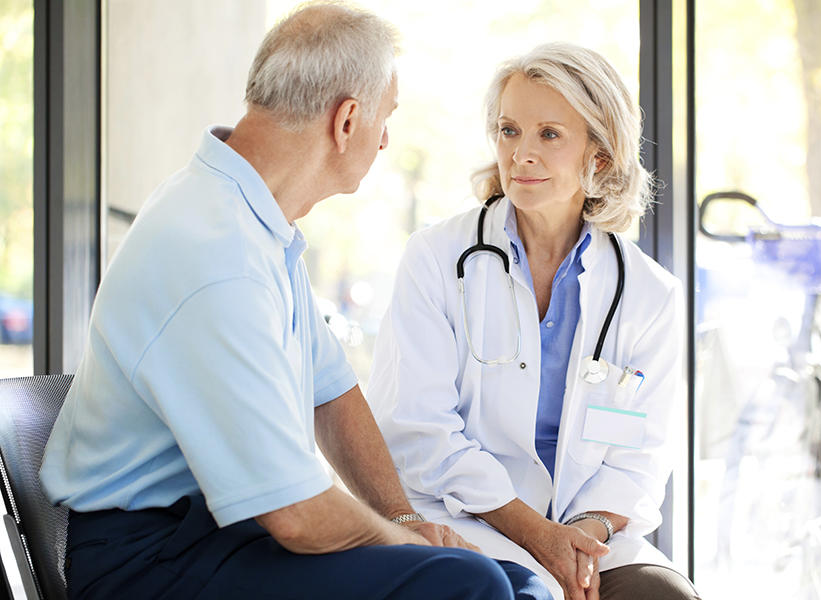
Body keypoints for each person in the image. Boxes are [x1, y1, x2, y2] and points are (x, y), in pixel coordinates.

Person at [39, 4, 549, 599]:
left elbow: (331, 393)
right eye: (386, 119)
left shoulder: (251, 222)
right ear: (347, 120)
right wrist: (402, 541)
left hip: (217, 535)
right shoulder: (214, 253)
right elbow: (296, 513)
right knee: (470, 586)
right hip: (147, 563)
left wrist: (408, 520)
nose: (385, 140)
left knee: (516, 583)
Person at [367, 42, 701, 600]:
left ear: (598, 157)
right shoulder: (436, 258)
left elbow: (638, 461)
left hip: (585, 535)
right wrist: (536, 535)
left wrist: (579, 541)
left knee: (664, 595)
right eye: (508, 130)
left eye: (549, 134)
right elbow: (420, 428)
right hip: (465, 523)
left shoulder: (648, 296)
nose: (520, 153)